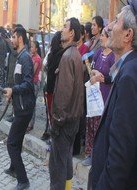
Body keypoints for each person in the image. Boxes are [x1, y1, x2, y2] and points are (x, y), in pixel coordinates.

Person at [92, 2, 137, 189]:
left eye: (116, 21)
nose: (109, 27)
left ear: (128, 34)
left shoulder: (129, 77)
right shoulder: (127, 70)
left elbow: (121, 155)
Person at [48, 17, 83, 190]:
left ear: (71, 33)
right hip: (73, 121)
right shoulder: (75, 54)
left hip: (64, 123)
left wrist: (56, 123)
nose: (61, 29)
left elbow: (63, 95)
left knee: (57, 168)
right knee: (66, 160)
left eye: (65, 26)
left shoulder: (68, 56)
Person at [4, 27, 35, 190]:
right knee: (18, 141)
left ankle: (23, 180)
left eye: (14, 37)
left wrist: (13, 91)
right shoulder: (20, 56)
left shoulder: (26, 58)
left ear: (21, 39)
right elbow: (18, 82)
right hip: (20, 105)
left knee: (11, 143)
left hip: (24, 109)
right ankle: (13, 168)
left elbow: (28, 84)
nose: (12, 40)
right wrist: (12, 95)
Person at [82, 28, 115, 166]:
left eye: (103, 36)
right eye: (101, 36)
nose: (101, 38)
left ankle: (97, 155)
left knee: (100, 127)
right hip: (93, 96)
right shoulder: (97, 53)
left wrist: (102, 79)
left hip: (104, 97)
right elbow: (91, 70)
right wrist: (93, 72)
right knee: (91, 124)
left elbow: (113, 77)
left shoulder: (113, 56)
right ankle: (89, 153)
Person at [41, 31, 63, 141]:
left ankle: (51, 136)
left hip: (49, 88)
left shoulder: (51, 54)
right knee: (54, 115)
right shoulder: (61, 54)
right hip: (55, 89)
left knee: (50, 114)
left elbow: (44, 65)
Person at [73, 24, 90, 155]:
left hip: (80, 84)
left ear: (83, 35)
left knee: (79, 114)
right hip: (70, 84)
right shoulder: (73, 47)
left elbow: (85, 67)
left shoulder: (86, 49)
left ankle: (77, 145)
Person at [27, 41, 42, 132]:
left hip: (34, 83)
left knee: (32, 105)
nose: (31, 48)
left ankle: (31, 124)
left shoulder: (37, 59)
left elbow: (32, 72)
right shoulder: (31, 56)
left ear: (36, 49)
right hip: (30, 83)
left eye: (32, 47)